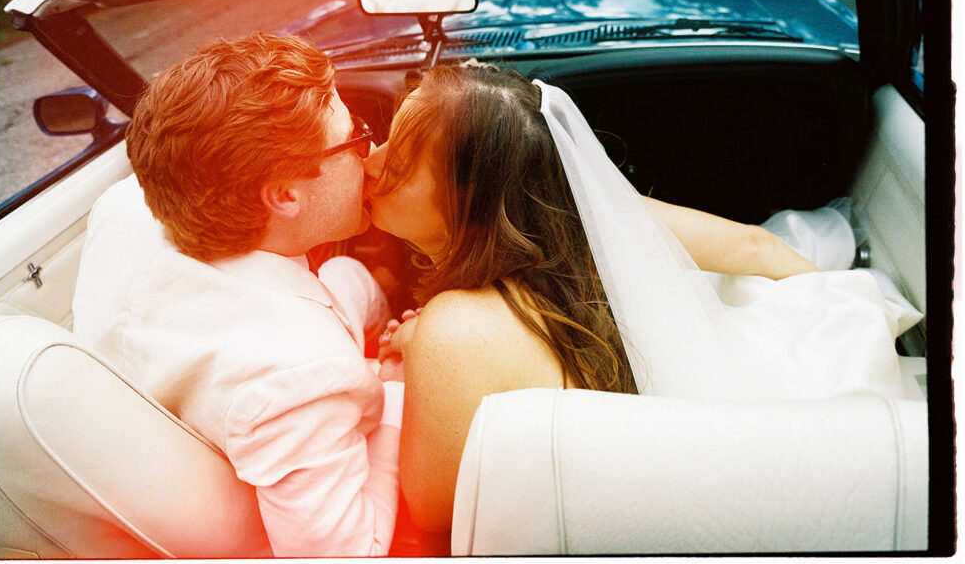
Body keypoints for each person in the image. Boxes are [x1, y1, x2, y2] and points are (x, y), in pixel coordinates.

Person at [363, 63, 922, 535]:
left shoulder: (450, 334)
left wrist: (404, 364)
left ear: (470, 203)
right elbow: (755, 246)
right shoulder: (596, 218)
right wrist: (825, 304)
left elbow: (432, 516)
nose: (370, 160)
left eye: (400, 162)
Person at [72, 33, 403, 556]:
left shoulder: (124, 207)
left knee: (347, 275)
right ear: (285, 194)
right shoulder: (299, 377)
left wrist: (373, 286)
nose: (375, 156)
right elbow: (351, 551)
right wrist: (401, 384)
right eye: (356, 136)